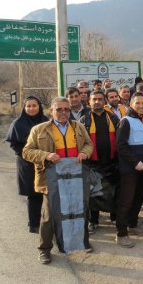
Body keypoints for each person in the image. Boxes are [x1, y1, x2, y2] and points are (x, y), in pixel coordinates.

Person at [23, 97, 93, 264]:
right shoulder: (39, 130)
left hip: (75, 178)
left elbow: (89, 144)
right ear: (51, 111)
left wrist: (84, 152)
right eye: (59, 109)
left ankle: (80, 241)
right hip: (52, 180)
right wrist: (46, 155)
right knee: (49, 216)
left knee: (78, 210)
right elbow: (27, 152)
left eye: (66, 110)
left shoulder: (78, 127)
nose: (63, 113)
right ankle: (44, 249)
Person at [6, 96, 48, 233]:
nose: (31, 108)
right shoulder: (18, 123)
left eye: (34, 105)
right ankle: (34, 224)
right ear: (24, 108)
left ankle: (48, 222)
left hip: (46, 162)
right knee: (33, 194)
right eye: (28, 106)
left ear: (39, 106)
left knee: (47, 193)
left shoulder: (46, 121)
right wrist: (29, 156)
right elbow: (14, 144)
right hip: (27, 163)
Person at [115, 93, 143, 248]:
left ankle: (133, 224)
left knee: (138, 198)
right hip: (129, 169)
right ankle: (121, 234)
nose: (141, 105)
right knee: (126, 200)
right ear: (131, 104)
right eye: (138, 103)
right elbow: (121, 147)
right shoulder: (126, 121)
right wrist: (135, 162)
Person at [79, 90, 120, 233]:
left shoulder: (113, 117)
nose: (97, 101)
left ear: (104, 101)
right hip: (92, 163)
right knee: (93, 193)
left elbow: (120, 139)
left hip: (111, 161)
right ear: (89, 102)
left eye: (100, 99)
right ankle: (93, 221)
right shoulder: (83, 120)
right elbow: (80, 142)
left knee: (114, 191)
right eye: (94, 99)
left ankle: (115, 217)